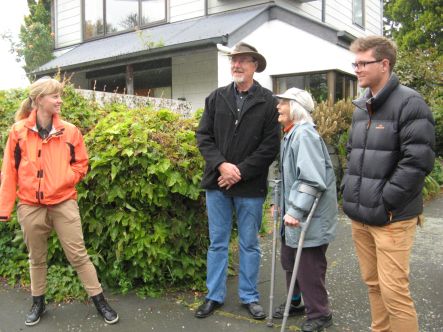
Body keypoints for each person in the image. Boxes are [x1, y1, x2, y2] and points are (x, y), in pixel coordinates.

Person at [0, 77, 119, 326]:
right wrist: (4, 209)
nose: (60, 100)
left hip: (63, 202)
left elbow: (81, 163)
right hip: (30, 205)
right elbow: (9, 171)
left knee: (78, 255)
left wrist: (66, 179)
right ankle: (38, 303)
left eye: (60, 95)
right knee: (37, 258)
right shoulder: (18, 131)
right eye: (55, 96)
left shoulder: (70, 131)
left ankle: (99, 301)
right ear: (39, 99)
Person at [342, 36, 435, 332]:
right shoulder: (361, 106)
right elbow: (352, 152)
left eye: (362, 62)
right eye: (354, 62)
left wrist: (384, 203)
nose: (356, 68)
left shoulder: (410, 103)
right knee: (373, 285)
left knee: (395, 293)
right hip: (361, 216)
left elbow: (417, 162)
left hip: (391, 218)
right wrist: (349, 191)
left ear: (384, 64)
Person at [195, 42, 280, 320]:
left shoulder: (268, 102)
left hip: (249, 187)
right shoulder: (216, 97)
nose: (237, 65)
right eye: (234, 60)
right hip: (217, 183)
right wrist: (222, 166)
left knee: (250, 244)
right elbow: (203, 137)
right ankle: (214, 295)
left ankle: (249, 296)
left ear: (255, 65)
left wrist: (238, 171)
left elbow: (270, 147)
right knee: (217, 243)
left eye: (243, 60)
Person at [272, 88, 337, 331]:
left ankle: (320, 314)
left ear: (296, 108)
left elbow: (311, 179)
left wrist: (295, 211)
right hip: (295, 214)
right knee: (290, 260)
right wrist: (276, 203)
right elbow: (287, 177)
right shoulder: (290, 134)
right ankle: (296, 301)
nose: (278, 107)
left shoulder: (304, 135)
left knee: (309, 265)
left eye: (283, 103)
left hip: (310, 216)